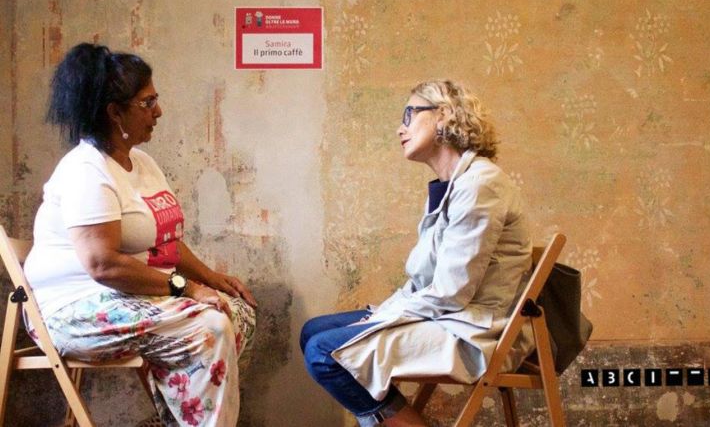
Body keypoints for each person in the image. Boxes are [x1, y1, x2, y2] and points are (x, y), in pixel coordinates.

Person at [23, 43, 257, 426]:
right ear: (115, 112)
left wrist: (211, 278)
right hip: (75, 307)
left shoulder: (142, 163)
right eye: (147, 103)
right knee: (211, 325)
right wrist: (187, 288)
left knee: (237, 311)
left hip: (126, 294)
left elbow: (166, 242)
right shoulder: (86, 170)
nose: (158, 112)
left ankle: (183, 419)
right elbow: (103, 265)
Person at [300, 80, 535, 426]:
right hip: (444, 315)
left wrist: (382, 319)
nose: (400, 128)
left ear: (444, 115)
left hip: (470, 329)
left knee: (323, 353)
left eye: (409, 114)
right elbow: (423, 281)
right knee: (312, 331)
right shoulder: (451, 186)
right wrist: (385, 314)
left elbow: (451, 292)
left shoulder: (480, 183)